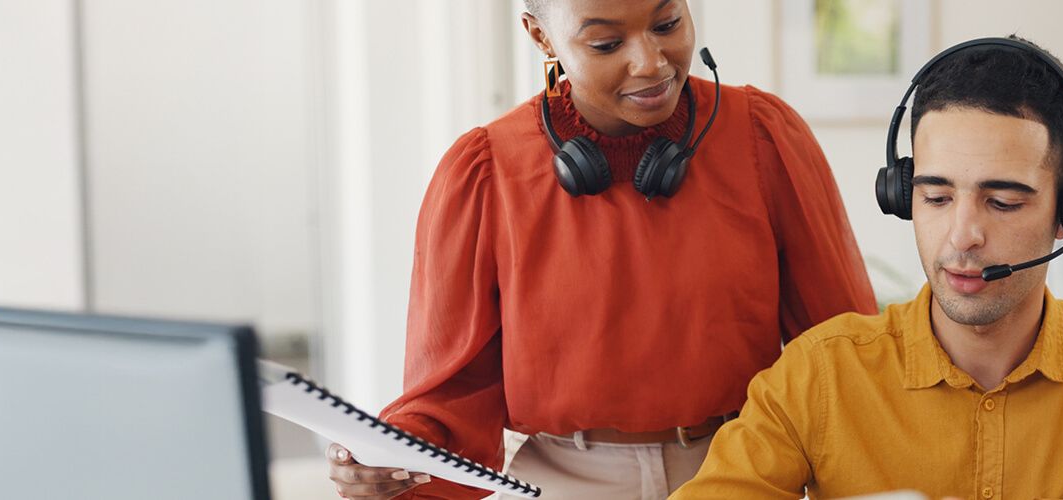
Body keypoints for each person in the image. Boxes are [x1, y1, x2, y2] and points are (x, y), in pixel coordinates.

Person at [324, 1, 876, 498]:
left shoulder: (762, 137)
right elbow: (449, 393)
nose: (651, 63)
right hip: (561, 480)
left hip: (741, 467)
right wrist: (390, 458)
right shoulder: (485, 172)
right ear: (541, 37)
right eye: (607, 44)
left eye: (667, 25)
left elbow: (839, 349)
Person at [670, 37, 1063, 500]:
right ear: (902, 194)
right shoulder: (818, 374)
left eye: (1001, 203)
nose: (961, 236)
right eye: (936, 197)